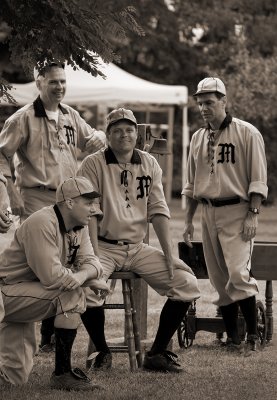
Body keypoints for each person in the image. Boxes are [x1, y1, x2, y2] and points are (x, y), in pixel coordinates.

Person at [77, 107, 200, 373]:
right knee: (88, 289)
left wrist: (170, 257)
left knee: (186, 284)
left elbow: (158, 211)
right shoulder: (93, 163)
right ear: (108, 135)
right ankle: (102, 352)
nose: (124, 135)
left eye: (129, 130)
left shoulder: (149, 163)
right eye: (117, 130)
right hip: (104, 246)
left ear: (137, 134)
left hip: (137, 248)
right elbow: (90, 214)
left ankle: (156, 354)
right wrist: (94, 262)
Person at [0, 62, 107, 352]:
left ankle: (53, 335)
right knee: (43, 266)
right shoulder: (22, 119)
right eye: (53, 82)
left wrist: (101, 136)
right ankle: (39, 332)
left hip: (70, 199)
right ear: (39, 83)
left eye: (63, 81)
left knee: (69, 259)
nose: (59, 87)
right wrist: (10, 193)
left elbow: (93, 140)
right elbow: (1, 156)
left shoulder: (71, 115)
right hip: (37, 196)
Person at [182, 77, 268, 355]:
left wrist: (253, 213)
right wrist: (188, 221)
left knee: (238, 274)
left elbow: (258, 178)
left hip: (237, 210)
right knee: (219, 278)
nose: (204, 108)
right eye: (200, 103)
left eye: (209, 102)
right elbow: (191, 185)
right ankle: (233, 338)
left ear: (223, 101)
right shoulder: (197, 138)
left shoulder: (247, 133)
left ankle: (253, 336)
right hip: (208, 212)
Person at [0, 176, 110, 390]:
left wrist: (82, 277)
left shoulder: (80, 225)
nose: (93, 209)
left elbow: (94, 264)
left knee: (15, 377)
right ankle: (62, 374)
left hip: (25, 293)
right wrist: (87, 282)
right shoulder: (42, 222)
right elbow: (52, 278)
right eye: (87, 203)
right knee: (70, 294)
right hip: (6, 291)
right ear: (69, 202)